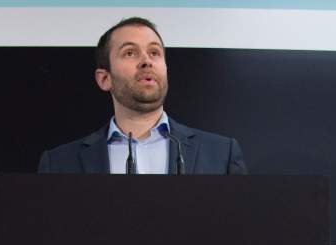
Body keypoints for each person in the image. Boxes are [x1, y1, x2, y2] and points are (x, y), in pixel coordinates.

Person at [38, 17, 246, 175]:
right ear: (104, 79)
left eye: (154, 53)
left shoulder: (221, 154)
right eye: (130, 53)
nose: (147, 61)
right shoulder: (59, 163)